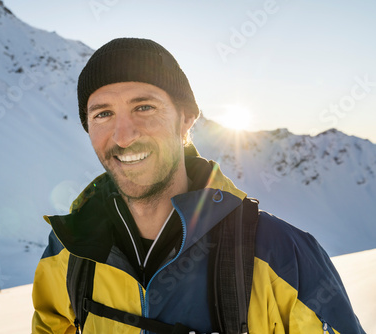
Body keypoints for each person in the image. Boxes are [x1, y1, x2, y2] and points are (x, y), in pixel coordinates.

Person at [31, 38, 365, 334]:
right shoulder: (68, 250)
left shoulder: (281, 255)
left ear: (187, 118)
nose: (123, 136)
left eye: (143, 107)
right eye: (103, 114)